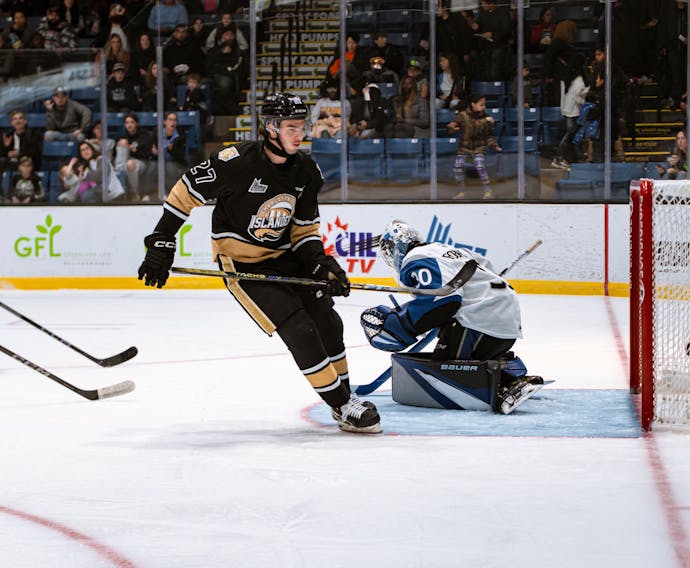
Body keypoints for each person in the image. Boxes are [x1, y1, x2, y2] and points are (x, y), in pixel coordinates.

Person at [136, 92, 381, 434]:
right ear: (270, 128)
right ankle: (342, 404)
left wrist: (322, 264)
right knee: (300, 329)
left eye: (302, 126)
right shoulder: (234, 162)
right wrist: (163, 239)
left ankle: (345, 399)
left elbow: (304, 232)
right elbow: (185, 189)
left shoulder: (307, 171)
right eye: (292, 127)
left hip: (286, 258)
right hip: (244, 265)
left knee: (329, 323)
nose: (300, 134)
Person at [360, 220, 543, 415]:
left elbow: (445, 301)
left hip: (480, 322)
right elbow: (487, 271)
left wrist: (403, 324)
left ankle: (505, 386)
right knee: (463, 355)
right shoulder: (446, 250)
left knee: (442, 369)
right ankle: (507, 372)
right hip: (505, 318)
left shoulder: (416, 259)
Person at [447, 93, 502, 199]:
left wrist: (494, 145)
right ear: (473, 104)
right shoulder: (462, 115)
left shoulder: (486, 118)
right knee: (457, 168)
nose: (484, 107)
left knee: (480, 166)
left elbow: (489, 135)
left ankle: (488, 191)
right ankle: (461, 191)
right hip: (464, 148)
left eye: (484, 105)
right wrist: (451, 127)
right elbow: (454, 124)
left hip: (479, 148)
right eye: (481, 105)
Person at [114, 112, 156, 201]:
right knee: (123, 143)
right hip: (125, 162)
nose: (129, 125)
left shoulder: (144, 135)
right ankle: (119, 171)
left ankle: (134, 192)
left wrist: (135, 150)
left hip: (143, 162)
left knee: (130, 163)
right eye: (127, 123)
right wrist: (128, 148)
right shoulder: (123, 136)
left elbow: (147, 154)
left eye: (132, 122)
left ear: (136, 123)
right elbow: (116, 153)